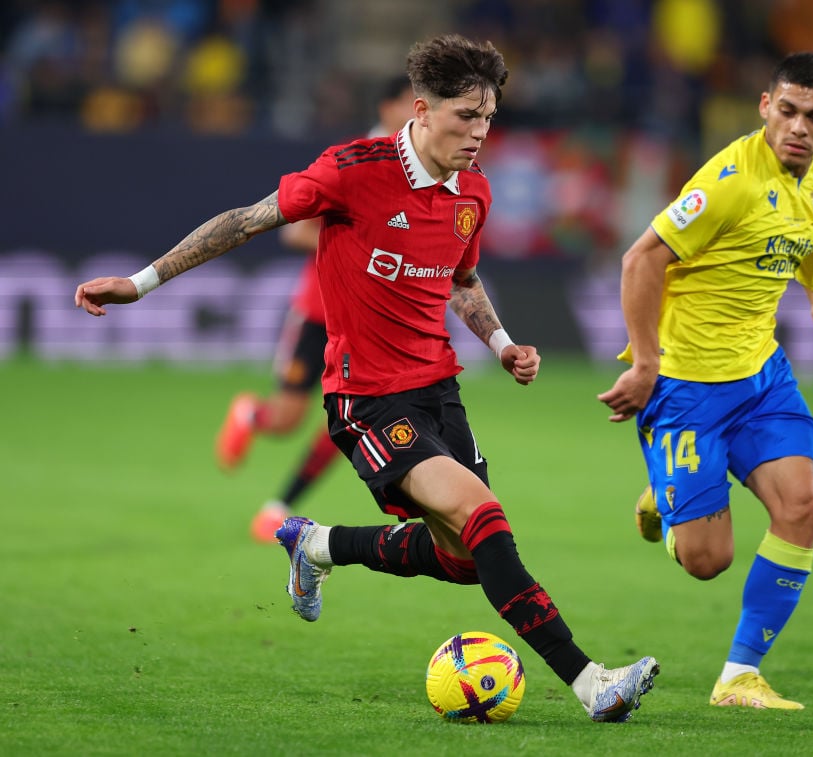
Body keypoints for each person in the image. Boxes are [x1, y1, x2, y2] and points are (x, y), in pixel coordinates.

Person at [75, 33, 659, 723]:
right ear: (420, 109)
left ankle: (316, 543)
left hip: (439, 390)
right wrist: (141, 283)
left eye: (489, 119)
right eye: (464, 117)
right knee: (485, 520)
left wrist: (501, 342)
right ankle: (591, 681)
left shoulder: (473, 192)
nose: (478, 134)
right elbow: (246, 221)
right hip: (367, 398)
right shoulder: (352, 169)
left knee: (465, 558)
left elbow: (462, 280)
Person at [598, 52, 813, 710]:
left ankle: (739, 674)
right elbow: (640, 259)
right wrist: (645, 364)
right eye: (787, 110)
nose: (797, 126)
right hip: (684, 385)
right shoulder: (733, 181)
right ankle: (663, 494)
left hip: (761, 379)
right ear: (765, 105)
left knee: (806, 503)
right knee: (707, 559)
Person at [215, 74, 416, 543]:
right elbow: (295, 231)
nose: (419, 114)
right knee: (286, 420)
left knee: (347, 417)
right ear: (387, 109)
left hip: (368, 323)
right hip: (319, 310)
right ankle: (252, 415)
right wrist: (367, 254)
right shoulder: (354, 161)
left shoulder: (423, 168)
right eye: (411, 103)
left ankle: (278, 506)